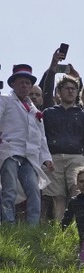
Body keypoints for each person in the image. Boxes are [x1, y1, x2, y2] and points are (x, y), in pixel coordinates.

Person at [0, 64, 54, 225]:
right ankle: (8, 224)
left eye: (27, 83)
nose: (25, 85)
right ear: (13, 84)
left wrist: (46, 157)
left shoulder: (34, 110)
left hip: (30, 155)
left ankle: (33, 227)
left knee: (34, 191)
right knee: (9, 190)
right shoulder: (5, 101)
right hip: (10, 151)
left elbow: (41, 137)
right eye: (21, 82)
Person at [41, 74, 84, 221]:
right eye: (67, 88)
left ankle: (78, 223)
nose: (71, 91)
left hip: (76, 157)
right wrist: (45, 156)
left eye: (74, 89)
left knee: (77, 190)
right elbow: (41, 137)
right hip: (53, 158)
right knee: (57, 195)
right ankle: (61, 227)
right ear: (59, 91)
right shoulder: (48, 113)